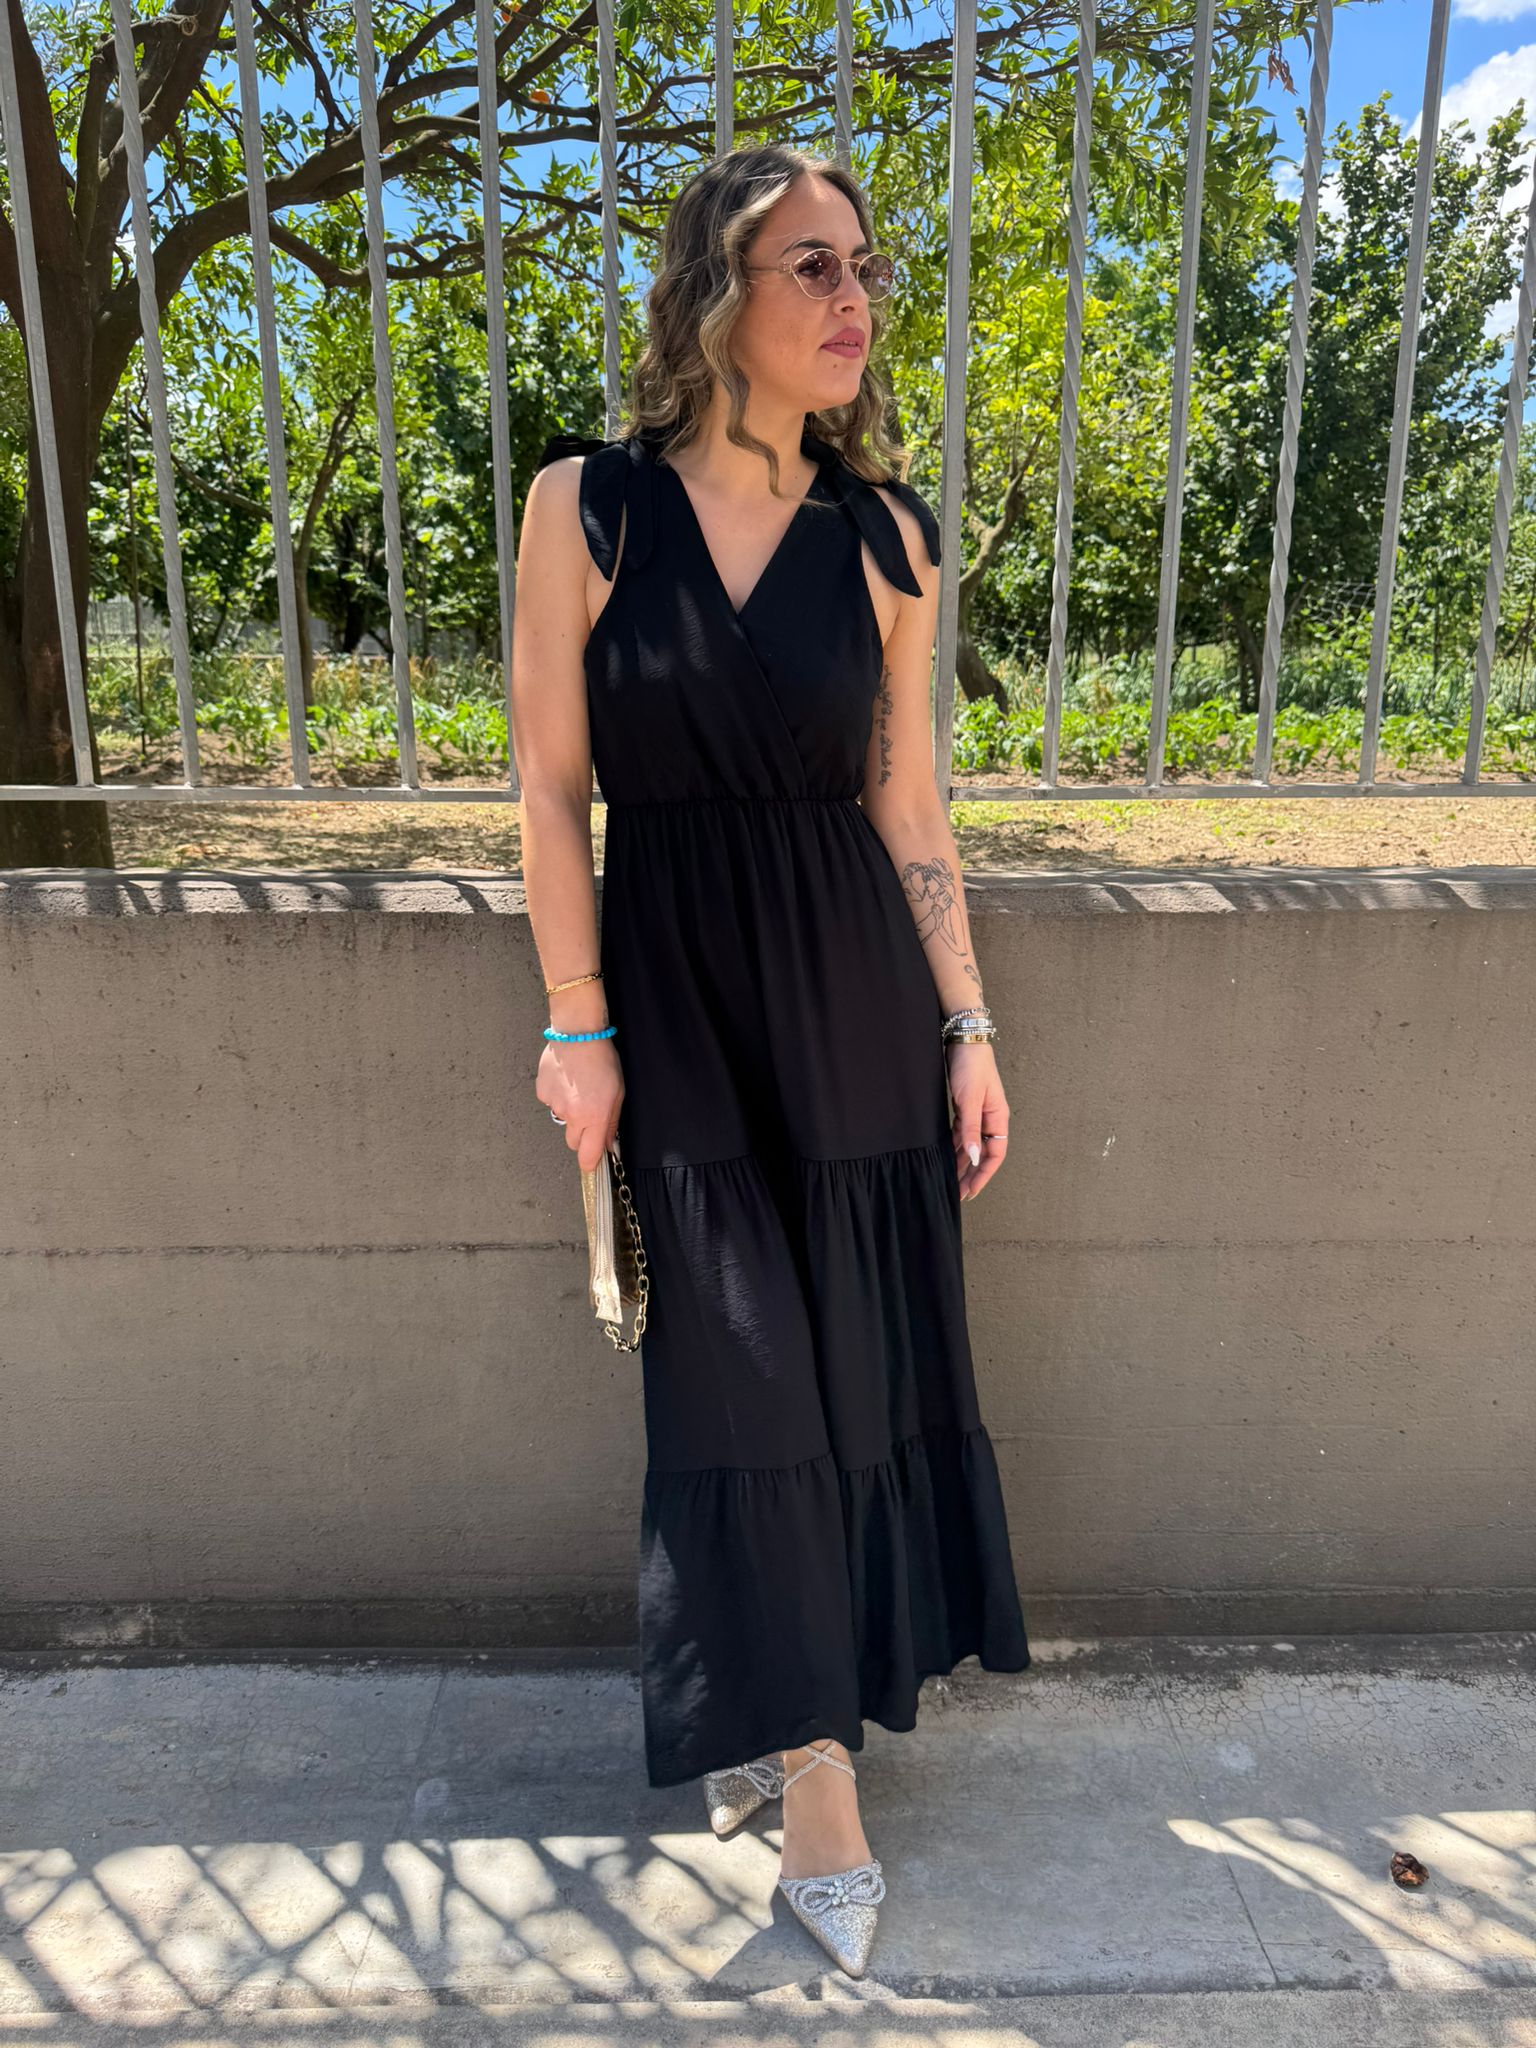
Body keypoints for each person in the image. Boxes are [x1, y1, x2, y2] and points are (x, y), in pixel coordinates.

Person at [511, 139, 1031, 1979]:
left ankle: (810, 1747)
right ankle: (806, 1756)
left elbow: (911, 807)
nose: (854, 299)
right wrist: (578, 1025)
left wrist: (969, 1024)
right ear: (715, 288)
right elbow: (550, 790)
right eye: (813, 264)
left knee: (853, 1381)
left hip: (856, 1008)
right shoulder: (588, 509)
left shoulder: (889, 540)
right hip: (678, 1014)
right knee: (741, 1387)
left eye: (866, 267)